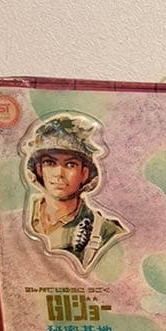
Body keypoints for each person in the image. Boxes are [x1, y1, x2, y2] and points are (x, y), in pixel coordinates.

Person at [22, 114, 128, 271]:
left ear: (84, 173)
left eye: (70, 165)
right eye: (50, 163)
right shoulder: (17, 220)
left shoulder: (106, 231)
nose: (59, 174)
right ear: (39, 169)